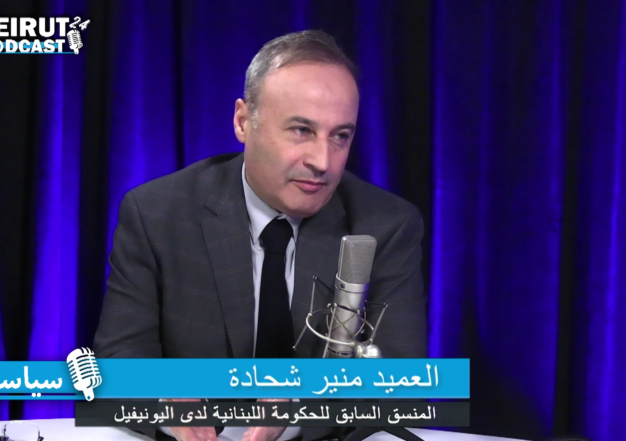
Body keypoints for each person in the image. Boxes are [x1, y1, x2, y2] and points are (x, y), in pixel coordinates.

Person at [93, 29, 428, 441]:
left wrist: (301, 408)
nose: (323, 161)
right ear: (242, 121)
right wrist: (165, 402)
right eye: (301, 130)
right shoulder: (157, 213)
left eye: (340, 136)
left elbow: (398, 376)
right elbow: (120, 356)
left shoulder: (387, 224)